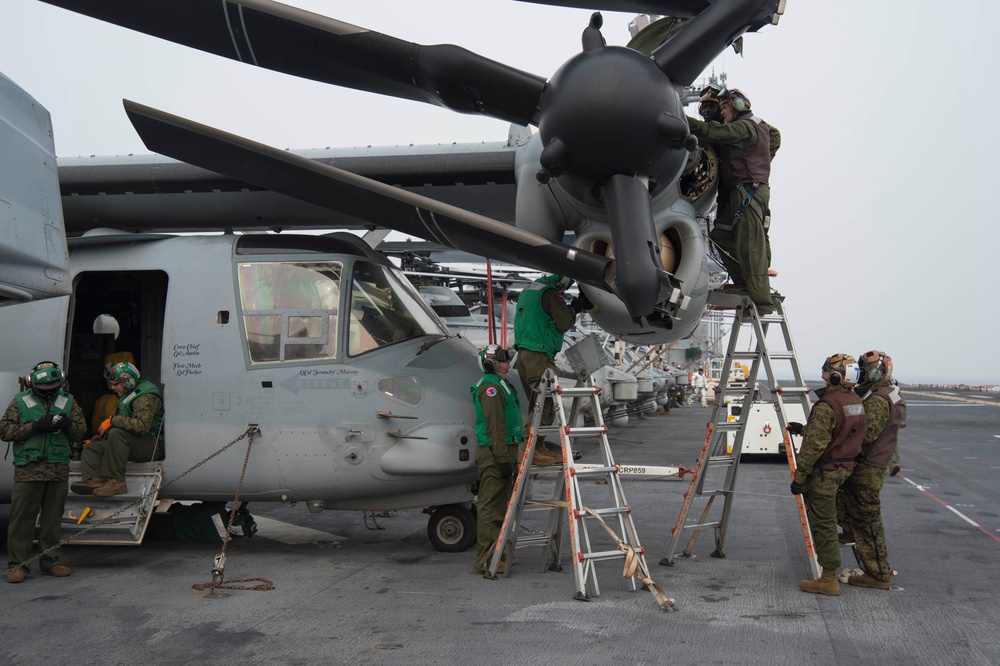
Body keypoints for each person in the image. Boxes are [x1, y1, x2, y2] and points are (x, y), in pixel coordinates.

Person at [687, 87, 776, 314]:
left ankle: (762, 303)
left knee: (750, 247)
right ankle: (744, 283)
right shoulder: (753, 125)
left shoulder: (742, 127)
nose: (718, 112)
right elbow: (773, 137)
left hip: (748, 191)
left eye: (722, 107)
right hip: (737, 190)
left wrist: (756, 166)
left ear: (736, 106)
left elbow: (713, 133)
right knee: (721, 235)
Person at [786, 354, 865, 596]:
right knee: (829, 520)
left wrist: (799, 478)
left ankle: (829, 578)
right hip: (844, 468)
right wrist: (805, 429)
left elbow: (814, 446)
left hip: (825, 472)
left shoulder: (827, 404)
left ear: (836, 375)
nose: (823, 372)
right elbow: (840, 430)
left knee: (823, 523)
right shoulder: (854, 399)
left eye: (827, 369)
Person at [1, 361, 87, 583]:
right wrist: (34, 427)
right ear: (32, 385)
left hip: (57, 469)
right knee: (22, 521)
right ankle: (17, 566)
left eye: (53, 388)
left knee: (52, 521)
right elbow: (4, 431)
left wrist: (68, 425)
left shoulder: (68, 402)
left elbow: (80, 433)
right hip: (28, 470)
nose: (49, 393)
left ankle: (52, 562)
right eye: (44, 390)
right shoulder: (20, 402)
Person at [836, 351, 906, 591]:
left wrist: (838, 436)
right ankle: (849, 530)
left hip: (867, 467)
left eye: (865, 370)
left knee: (868, 523)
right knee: (850, 505)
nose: (862, 374)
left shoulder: (877, 399)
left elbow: (869, 433)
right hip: (870, 465)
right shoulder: (888, 394)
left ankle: (878, 575)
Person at [513, 274, 586, 466]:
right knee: (544, 405)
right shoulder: (551, 293)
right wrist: (575, 309)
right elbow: (563, 323)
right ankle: (531, 450)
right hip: (540, 355)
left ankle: (536, 447)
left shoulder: (529, 291)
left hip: (524, 354)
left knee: (536, 404)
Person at [71, 361, 164, 498]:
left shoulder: (146, 396)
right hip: (134, 444)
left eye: (116, 384)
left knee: (117, 433)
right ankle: (95, 480)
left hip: (151, 445)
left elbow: (142, 426)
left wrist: (112, 420)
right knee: (93, 448)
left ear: (128, 382)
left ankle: (117, 482)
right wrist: (95, 440)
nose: (113, 388)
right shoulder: (128, 395)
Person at [470, 345, 522, 574]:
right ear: (490, 363)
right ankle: (485, 559)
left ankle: (497, 552)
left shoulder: (501, 384)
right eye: (501, 358)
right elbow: (495, 427)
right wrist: (501, 458)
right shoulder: (491, 387)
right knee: (490, 506)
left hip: (504, 450)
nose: (506, 360)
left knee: (501, 504)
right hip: (494, 453)